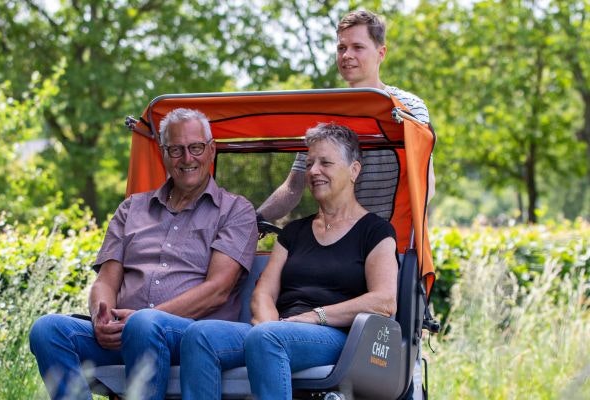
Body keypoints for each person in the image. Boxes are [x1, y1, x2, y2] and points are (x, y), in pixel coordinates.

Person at [29, 108, 259, 400]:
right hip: (122, 333)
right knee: (48, 329)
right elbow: (106, 281)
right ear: (163, 153)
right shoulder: (131, 209)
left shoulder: (236, 210)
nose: (187, 159)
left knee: (144, 324)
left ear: (211, 150)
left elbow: (217, 291)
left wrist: (142, 318)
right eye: (176, 150)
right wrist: (101, 318)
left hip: (190, 336)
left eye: (196, 148)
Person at [179, 122, 399, 399]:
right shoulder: (294, 232)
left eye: (325, 163)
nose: (314, 171)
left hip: (339, 336)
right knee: (199, 336)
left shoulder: (375, 231)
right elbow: (263, 291)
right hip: (279, 331)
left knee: (266, 338)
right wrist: (271, 323)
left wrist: (313, 318)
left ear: (354, 170)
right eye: (309, 164)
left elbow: (384, 301)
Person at [257, 9, 434, 222]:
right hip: (335, 240)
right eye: (341, 48)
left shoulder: (409, 107)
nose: (347, 55)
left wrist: (383, 241)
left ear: (381, 53)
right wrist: (252, 220)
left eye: (357, 47)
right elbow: (293, 188)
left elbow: (426, 186)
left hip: (392, 242)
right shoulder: (323, 114)